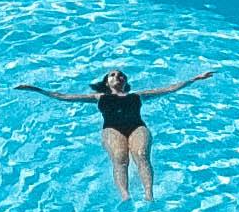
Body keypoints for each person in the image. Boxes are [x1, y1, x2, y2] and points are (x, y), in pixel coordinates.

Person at [18, 64, 213, 201]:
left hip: (137, 126)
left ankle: (148, 195)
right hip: (112, 129)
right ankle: (125, 195)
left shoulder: (137, 96)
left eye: (120, 75)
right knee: (120, 158)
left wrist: (195, 79)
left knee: (142, 155)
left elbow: (170, 89)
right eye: (112, 75)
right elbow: (64, 96)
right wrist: (36, 89)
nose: (117, 76)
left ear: (125, 81)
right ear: (107, 82)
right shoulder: (98, 96)